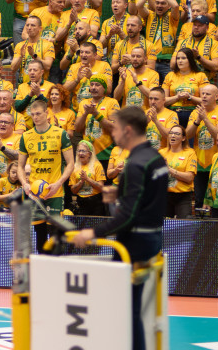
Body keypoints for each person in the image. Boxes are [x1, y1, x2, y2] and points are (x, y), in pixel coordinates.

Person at [71, 106, 168, 350]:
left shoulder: (135, 164)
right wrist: (120, 193)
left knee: (127, 310)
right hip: (153, 237)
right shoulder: (157, 159)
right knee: (131, 308)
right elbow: (150, 197)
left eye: (114, 128)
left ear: (127, 130)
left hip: (134, 244)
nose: (111, 133)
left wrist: (91, 233)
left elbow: (128, 216)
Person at [15, 98, 75, 244]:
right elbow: (20, 167)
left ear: (46, 113)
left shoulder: (61, 134)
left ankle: (55, 265)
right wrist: (24, 183)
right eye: (33, 114)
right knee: (39, 235)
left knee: (55, 236)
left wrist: (59, 183)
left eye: (38, 114)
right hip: (35, 193)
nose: (35, 117)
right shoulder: (26, 136)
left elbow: (71, 163)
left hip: (55, 191)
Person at [186, 84, 218, 207]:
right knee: (199, 200)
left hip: (217, 163)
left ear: (216, 96)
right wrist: (197, 121)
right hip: (199, 162)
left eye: (207, 94)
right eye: (202, 94)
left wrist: (205, 119)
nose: (204, 96)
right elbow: (188, 135)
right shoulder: (195, 113)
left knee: (216, 200)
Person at [135, 0, 181, 82]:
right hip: (150, 61)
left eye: (163, 3)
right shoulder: (149, 15)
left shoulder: (172, 17)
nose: (159, 6)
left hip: (167, 62)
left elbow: (176, 6)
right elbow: (138, 5)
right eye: (157, 3)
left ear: (168, 6)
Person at [161, 124, 197, 218]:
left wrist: (170, 170)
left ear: (183, 138)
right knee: (164, 227)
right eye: (171, 133)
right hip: (165, 195)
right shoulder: (161, 153)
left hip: (183, 196)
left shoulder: (190, 153)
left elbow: (189, 178)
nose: (173, 136)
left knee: (183, 228)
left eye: (177, 134)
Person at [70, 140, 106, 215]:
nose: (80, 153)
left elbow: (101, 187)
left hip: (96, 203)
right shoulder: (75, 167)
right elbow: (73, 190)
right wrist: (81, 181)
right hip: (81, 203)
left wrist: (87, 179)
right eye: (79, 151)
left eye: (83, 151)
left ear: (89, 154)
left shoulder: (97, 165)